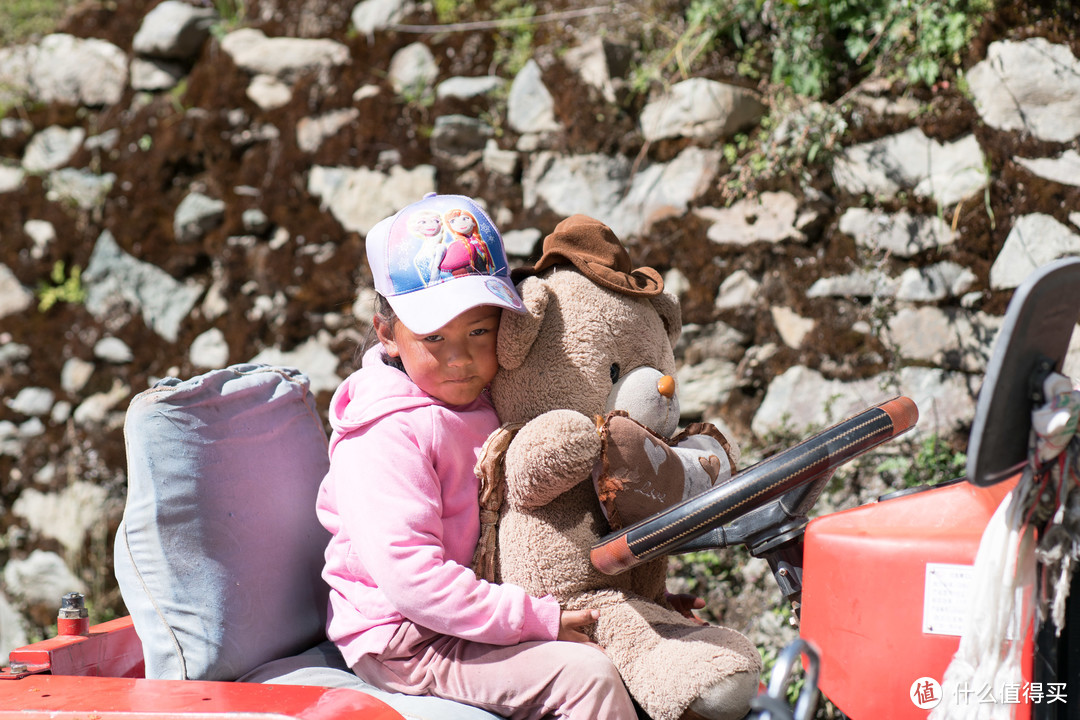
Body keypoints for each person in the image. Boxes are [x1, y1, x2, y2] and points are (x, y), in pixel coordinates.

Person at [316, 193, 640, 720]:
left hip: (477, 609)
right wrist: (537, 618)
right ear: (387, 335)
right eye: (433, 337)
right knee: (589, 678)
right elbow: (413, 581)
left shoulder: (496, 399)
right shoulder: (384, 435)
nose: (460, 358)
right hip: (408, 639)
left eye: (479, 331)